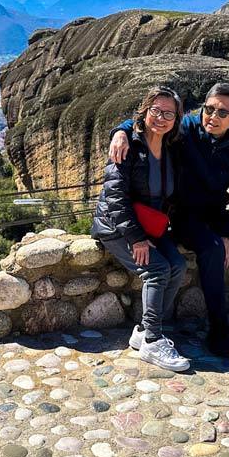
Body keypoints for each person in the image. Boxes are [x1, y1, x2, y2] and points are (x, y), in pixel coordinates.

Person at [109, 81, 229, 359]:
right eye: (209, 109)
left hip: (216, 217)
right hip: (184, 217)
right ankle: (218, 329)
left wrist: (227, 234)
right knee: (210, 249)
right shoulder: (186, 129)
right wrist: (120, 131)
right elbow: (153, 119)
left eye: (222, 113)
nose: (212, 117)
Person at [91, 85, 190, 371]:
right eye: (155, 111)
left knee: (178, 266)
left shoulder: (172, 146)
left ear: (176, 118)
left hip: (152, 227)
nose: (161, 118)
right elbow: (114, 197)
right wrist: (136, 239)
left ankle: (145, 332)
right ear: (144, 111)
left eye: (168, 113)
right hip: (117, 227)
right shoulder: (127, 146)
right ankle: (153, 341)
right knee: (157, 270)